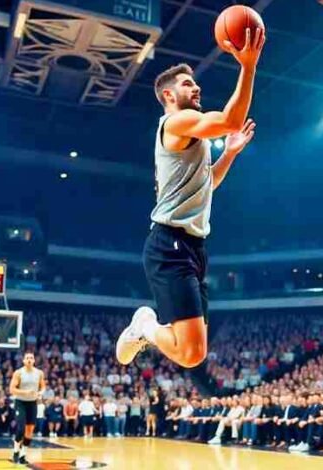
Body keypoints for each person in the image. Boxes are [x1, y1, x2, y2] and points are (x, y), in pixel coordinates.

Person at [115, 26, 266, 369]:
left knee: (193, 354)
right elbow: (231, 119)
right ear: (168, 95)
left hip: (192, 247)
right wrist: (248, 65)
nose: (196, 87)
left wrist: (228, 154)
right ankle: (145, 324)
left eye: (195, 83)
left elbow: (207, 183)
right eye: (187, 84)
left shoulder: (190, 135)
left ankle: (147, 327)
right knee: (190, 354)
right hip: (170, 243)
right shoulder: (176, 122)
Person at [9, 352, 45, 464]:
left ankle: (23, 455)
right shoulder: (18, 373)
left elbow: (43, 386)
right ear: (23, 361)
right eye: (27, 358)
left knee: (29, 431)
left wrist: (40, 393)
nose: (29, 359)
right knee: (21, 429)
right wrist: (26, 392)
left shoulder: (39, 373)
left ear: (34, 361)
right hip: (21, 403)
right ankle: (16, 451)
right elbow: (12, 389)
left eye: (31, 358)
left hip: (32, 403)